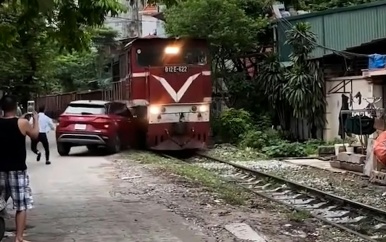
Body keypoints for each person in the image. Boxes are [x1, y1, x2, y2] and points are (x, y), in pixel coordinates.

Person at [0, 95, 38, 242]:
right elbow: (35, 135)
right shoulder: (22, 123)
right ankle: (19, 237)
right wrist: (36, 119)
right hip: (17, 170)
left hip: (0, 169)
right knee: (20, 205)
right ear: (16, 106)